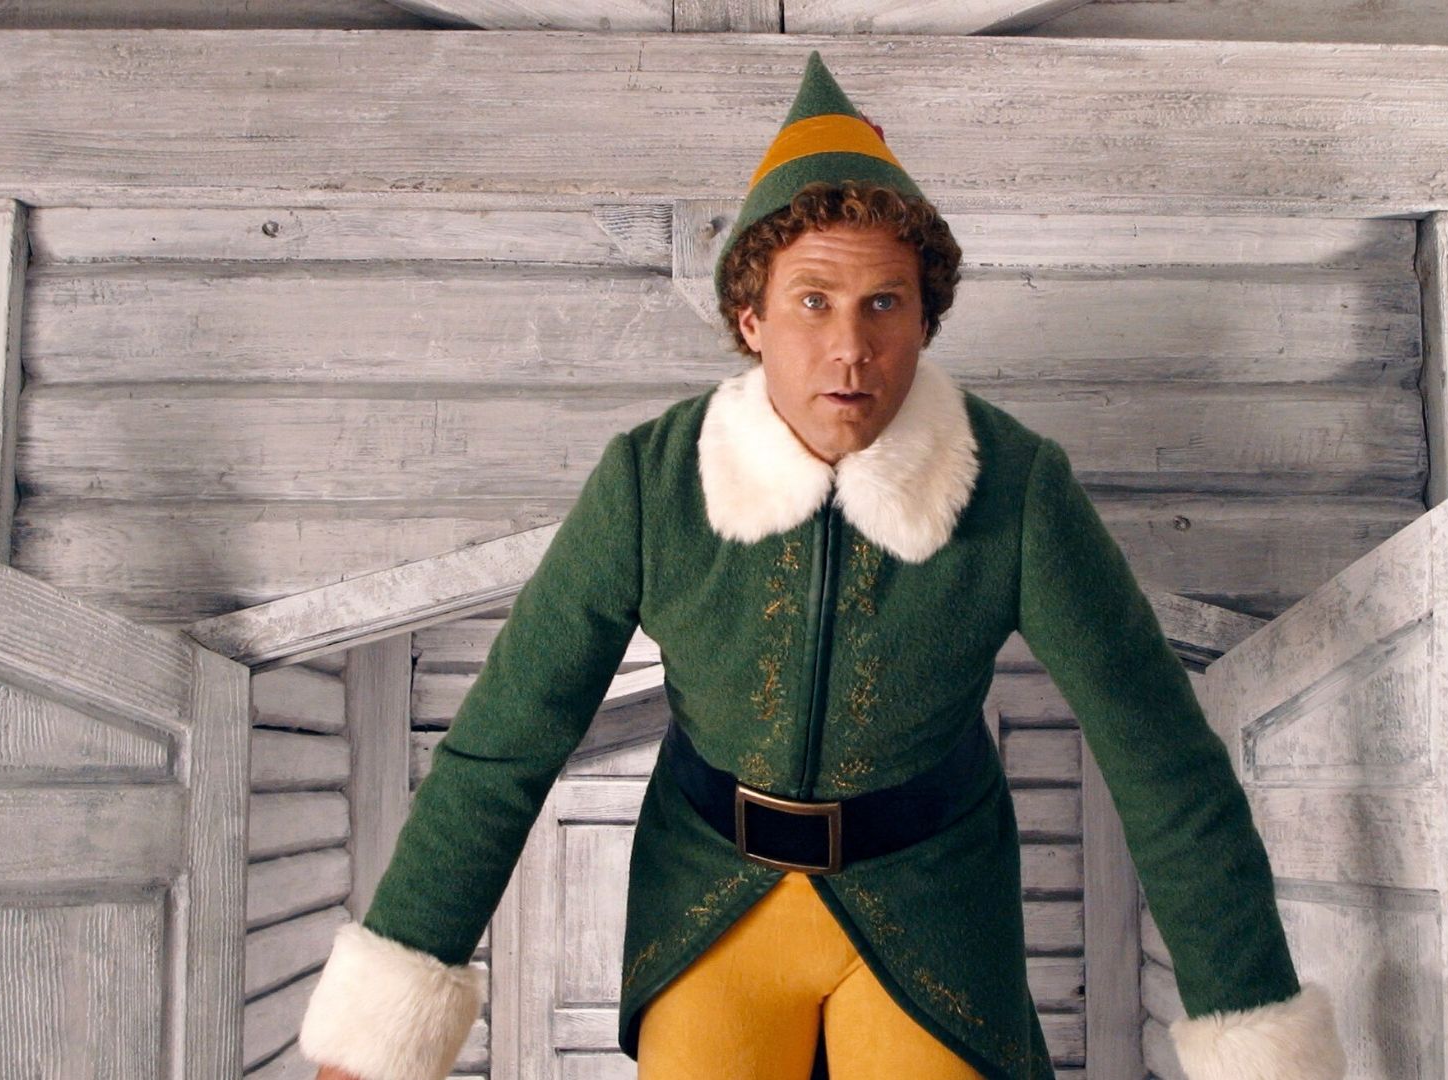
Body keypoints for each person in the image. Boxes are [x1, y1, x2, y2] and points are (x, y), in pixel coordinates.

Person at [299, 50, 1346, 1080]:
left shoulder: (1017, 488)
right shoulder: (650, 484)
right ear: (750, 317)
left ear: (925, 320)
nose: (850, 346)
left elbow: (1162, 758)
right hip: (709, 895)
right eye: (813, 301)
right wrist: (376, 1035)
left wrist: (1253, 1029)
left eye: (884, 303)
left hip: (931, 902)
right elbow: (504, 741)